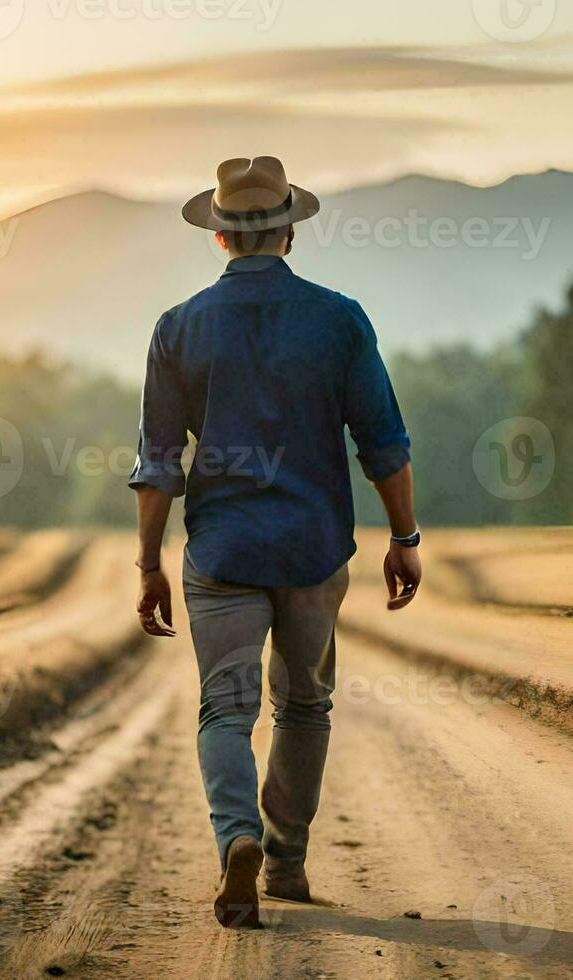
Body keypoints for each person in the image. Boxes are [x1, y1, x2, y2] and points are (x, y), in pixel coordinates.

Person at [128, 156, 422, 928]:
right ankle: (286, 861)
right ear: (289, 231)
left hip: (223, 552)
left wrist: (147, 563)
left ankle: (237, 838)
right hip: (314, 548)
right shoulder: (340, 319)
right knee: (303, 706)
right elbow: (383, 442)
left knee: (223, 711)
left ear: (221, 236)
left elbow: (159, 461)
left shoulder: (177, 327)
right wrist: (404, 536)